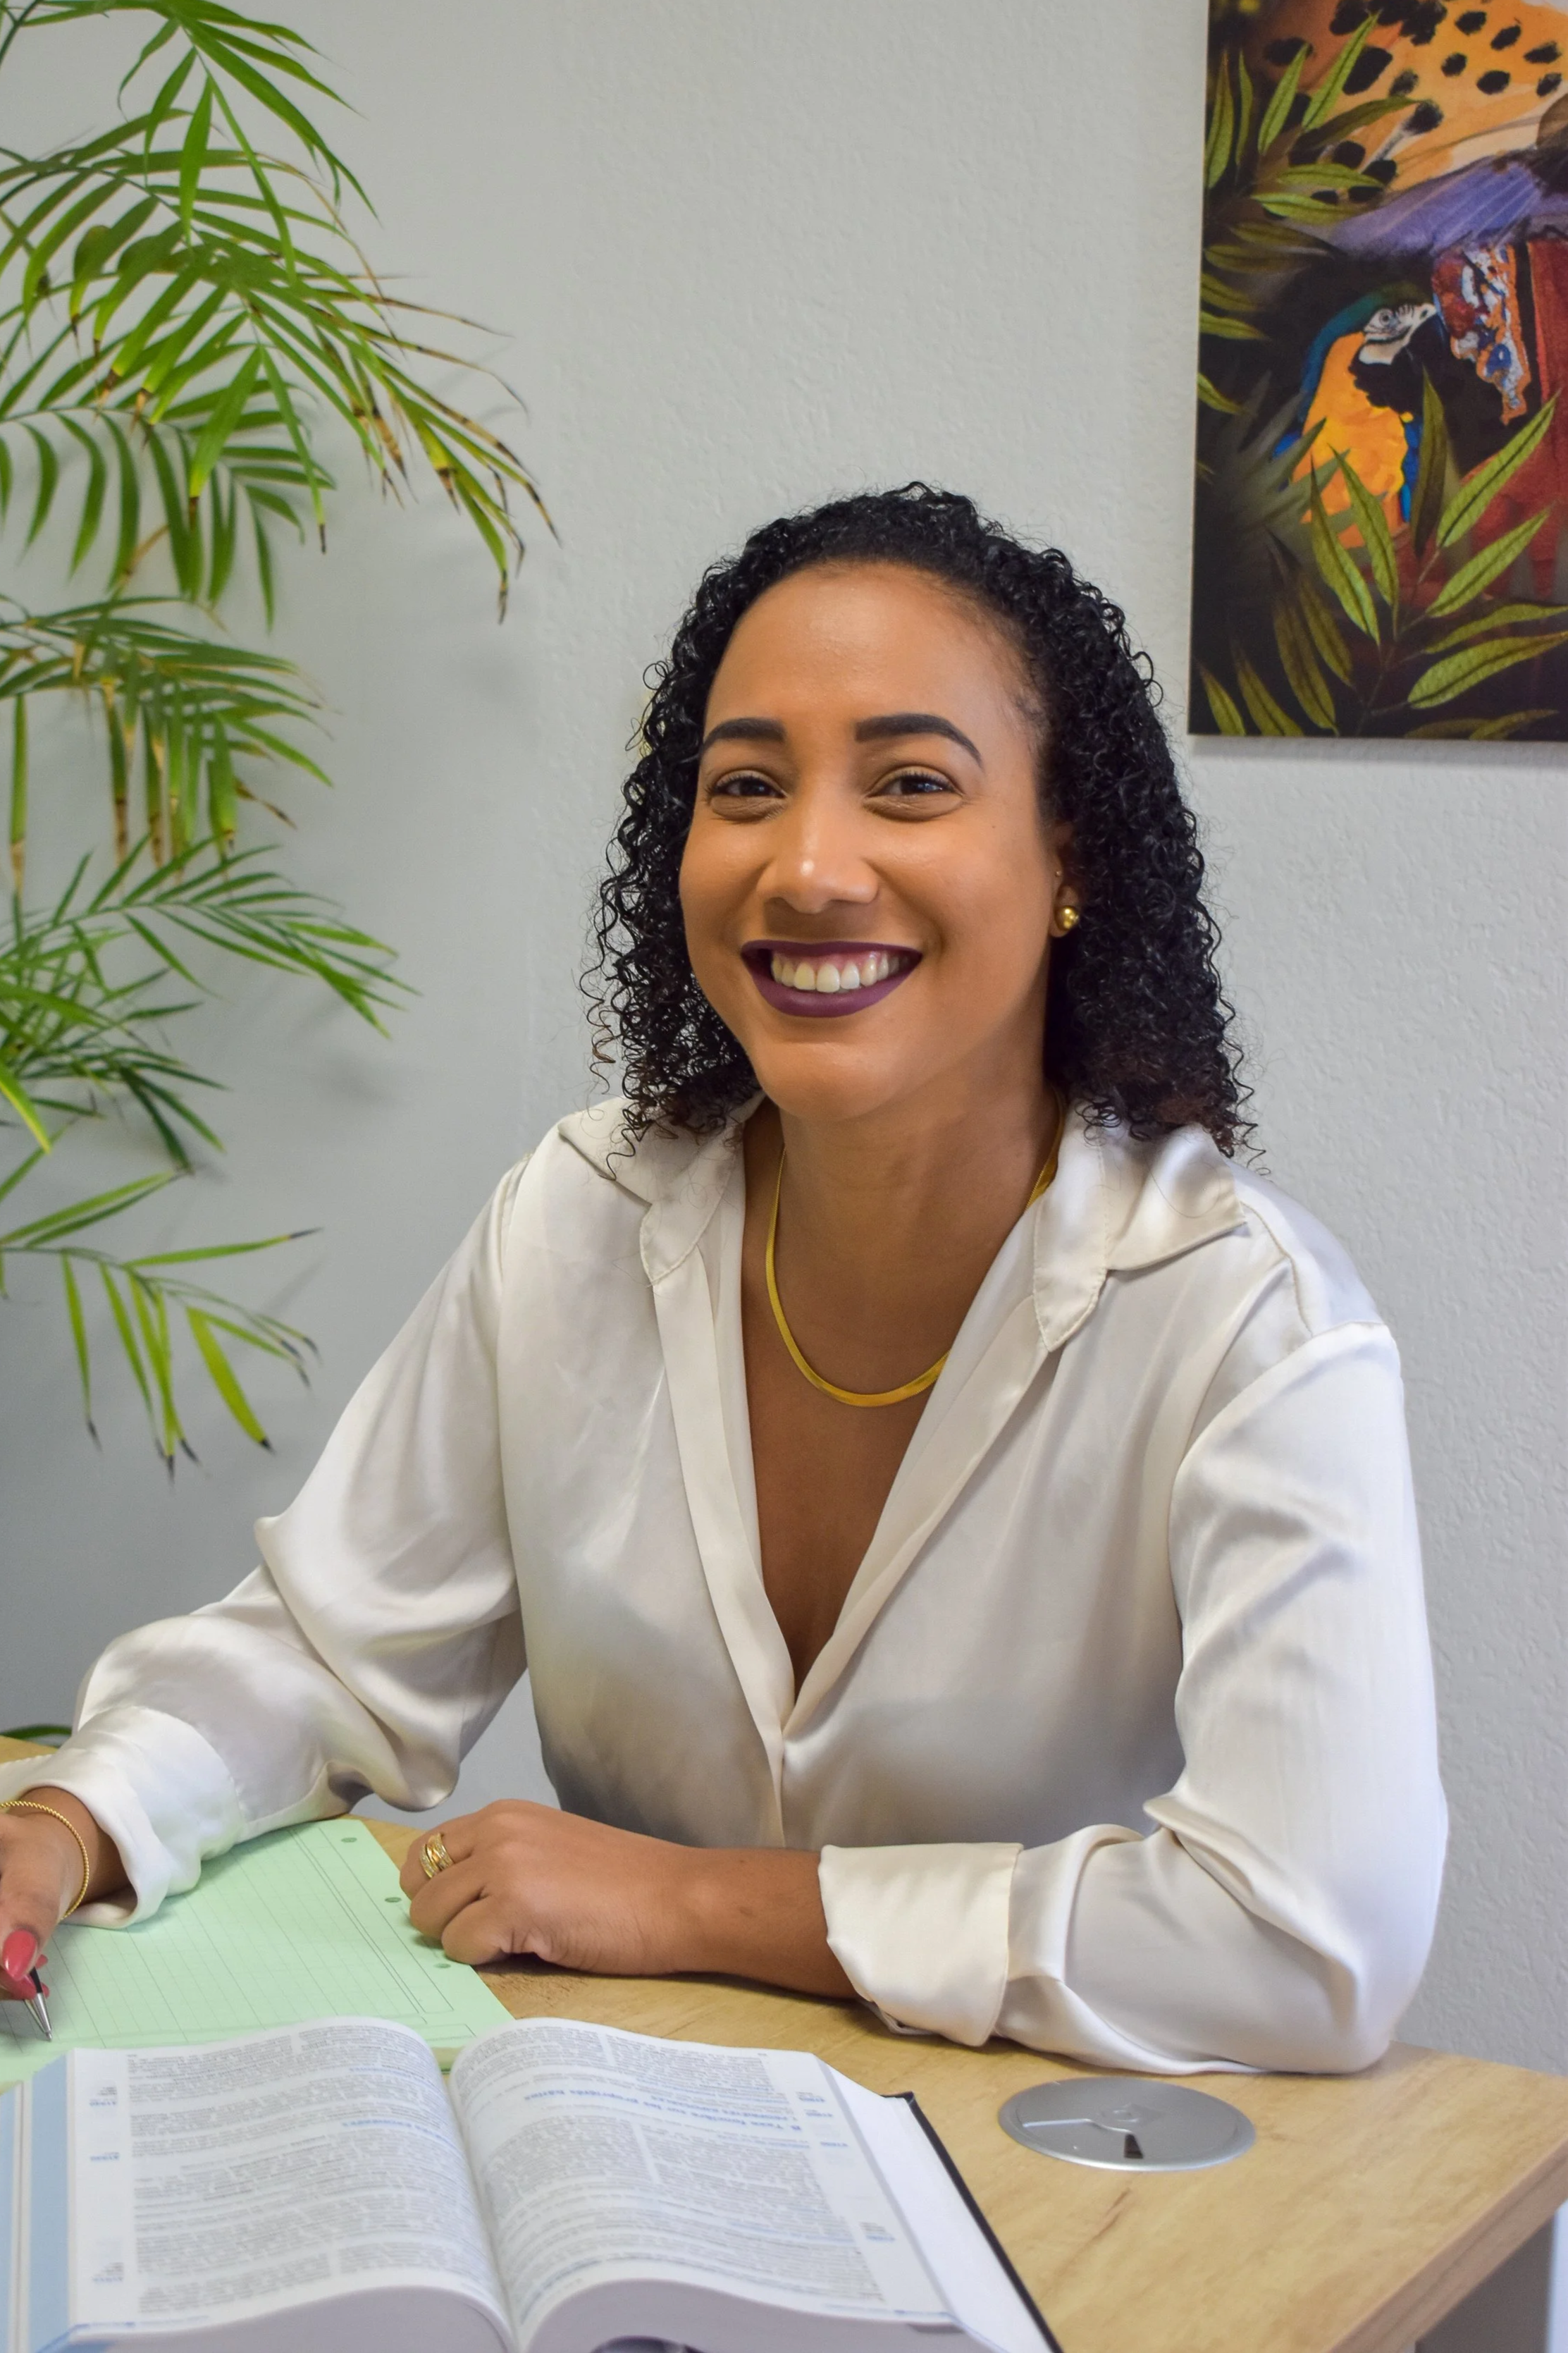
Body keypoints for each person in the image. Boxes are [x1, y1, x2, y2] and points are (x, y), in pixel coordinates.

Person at [0, 486, 1445, 2072]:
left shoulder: (1248, 1325)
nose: (808, 865)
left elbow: (1309, 1938)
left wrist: (696, 1903)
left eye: (908, 785)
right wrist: (71, 1821)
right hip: (619, 2154)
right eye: (744, 785)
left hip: (1064, 2194)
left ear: (1066, 857)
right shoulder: (578, 1217)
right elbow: (327, 1652)